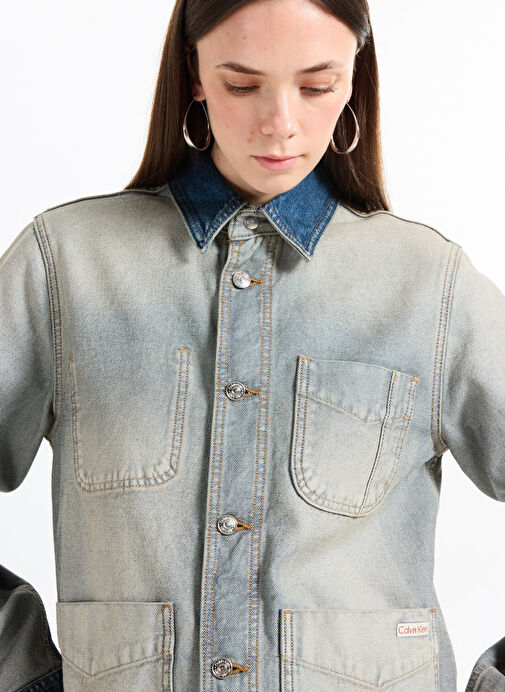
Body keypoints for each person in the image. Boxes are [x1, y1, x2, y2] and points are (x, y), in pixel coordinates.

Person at [1, 1, 504, 690]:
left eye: (316, 85)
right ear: (194, 75)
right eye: (242, 84)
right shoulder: (65, 268)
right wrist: (24, 674)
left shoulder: (429, 287)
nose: (280, 123)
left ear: (354, 79)